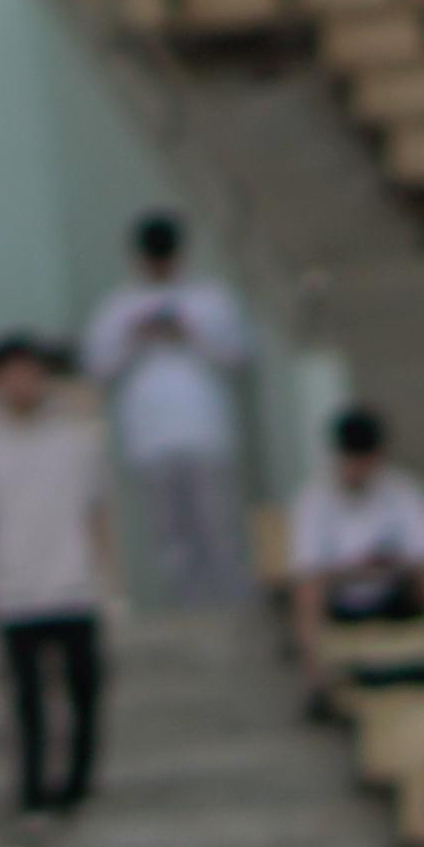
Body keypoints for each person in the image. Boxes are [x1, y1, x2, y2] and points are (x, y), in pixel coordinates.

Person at [0, 336, 113, 817]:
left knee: (84, 691)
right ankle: (33, 788)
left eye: (29, 373)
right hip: (14, 590)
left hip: (73, 585)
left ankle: (78, 783)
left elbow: (97, 511)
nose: (21, 385)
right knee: (28, 699)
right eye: (10, 375)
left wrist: (103, 572)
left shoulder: (76, 441)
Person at [79, 214, 249, 611]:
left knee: (217, 526)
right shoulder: (119, 307)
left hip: (204, 433)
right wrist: (135, 338)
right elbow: (97, 368)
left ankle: (232, 606)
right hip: (151, 439)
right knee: (170, 535)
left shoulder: (209, 298)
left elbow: (238, 355)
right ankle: (185, 607)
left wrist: (191, 333)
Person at [280, 404, 424, 684]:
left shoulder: (404, 492)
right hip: (340, 602)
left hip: (394, 596)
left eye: (365, 460)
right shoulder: (314, 499)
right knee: (307, 591)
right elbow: (308, 570)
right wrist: (355, 569)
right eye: (351, 459)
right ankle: (314, 677)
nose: (358, 469)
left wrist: (387, 566)